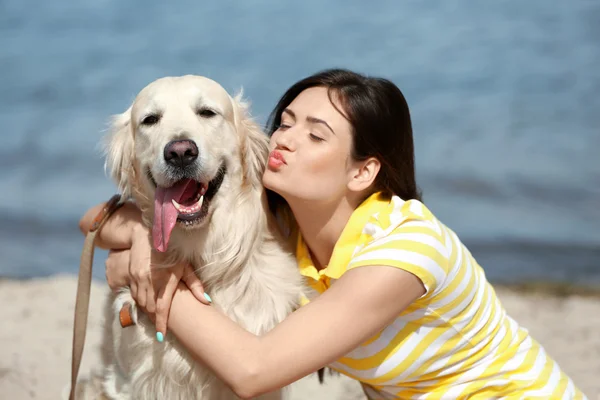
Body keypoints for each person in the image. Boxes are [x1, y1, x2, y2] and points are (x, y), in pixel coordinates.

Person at [80, 69, 586, 399]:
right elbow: (94, 224)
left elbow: (254, 371)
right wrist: (142, 238)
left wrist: (151, 272)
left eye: (316, 135)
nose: (287, 141)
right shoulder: (287, 223)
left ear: (363, 172)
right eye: (288, 122)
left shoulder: (406, 251)